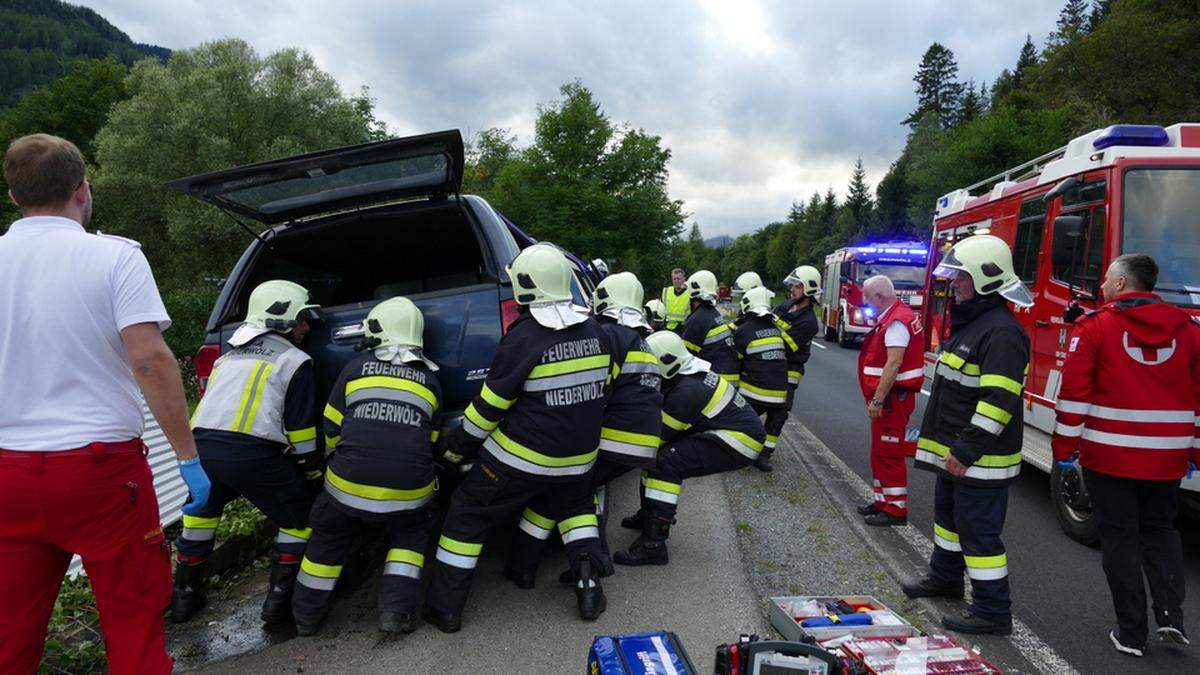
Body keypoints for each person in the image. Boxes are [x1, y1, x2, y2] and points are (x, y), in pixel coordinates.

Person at [0, 134, 208, 674]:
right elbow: (150, 361)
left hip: (9, 474)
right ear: (82, 190)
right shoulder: (114, 256)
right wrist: (186, 456)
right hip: (102, 474)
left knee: (9, 636)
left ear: (14, 195)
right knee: (133, 622)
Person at [424, 244, 611, 632]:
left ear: (525, 287)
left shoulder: (524, 337)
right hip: (579, 459)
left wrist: (456, 447)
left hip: (520, 459)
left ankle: (445, 609)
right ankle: (589, 587)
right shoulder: (596, 331)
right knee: (577, 511)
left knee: (467, 514)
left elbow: (489, 408)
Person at [1052, 254, 1197, 657]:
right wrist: (1194, 451)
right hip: (1166, 457)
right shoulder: (1187, 329)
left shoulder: (1095, 326)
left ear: (1120, 283)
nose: (1100, 286)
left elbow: (1075, 395)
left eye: (1105, 279)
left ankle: (1132, 634)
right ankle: (1170, 617)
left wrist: (1063, 449)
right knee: (1161, 533)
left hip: (1110, 455)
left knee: (1120, 541)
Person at [901, 234, 1031, 636]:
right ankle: (945, 578)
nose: (953, 285)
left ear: (985, 280)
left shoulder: (1001, 334)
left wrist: (966, 449)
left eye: (961, 278)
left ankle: (993, 611)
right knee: (949, 522)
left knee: (979, 535)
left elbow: (997, 402)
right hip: (957, 456)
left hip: (979, 461)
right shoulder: (973, 325)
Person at [176, 279, 324, 625]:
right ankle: (278, 604)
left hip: (204, 450)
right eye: (302, 319)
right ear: (281, 319)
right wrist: (312, 472)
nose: (305, 328)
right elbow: (301, 434)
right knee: (301, 519)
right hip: (253, 454)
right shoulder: (295, 360)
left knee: (200, 517)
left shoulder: (226, 358)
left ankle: (184, 599)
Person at [292, 297, 441, 636]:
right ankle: (395, 615)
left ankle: (305, 618)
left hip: (346, 487)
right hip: (409, 492)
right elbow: (429, 441)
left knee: (328, 536)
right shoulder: (431, 381)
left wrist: (340, 462)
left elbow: (331, 426)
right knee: (410, 534)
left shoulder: (354, 369)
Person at [506, 271, 662, 583]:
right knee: (576, 493)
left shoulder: (609, 334)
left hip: (615, 438)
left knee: (561, 497)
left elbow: (594, 389)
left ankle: (549, 568)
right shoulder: (640, 340)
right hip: (642, 442)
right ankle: (586, 569)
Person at [614, 331, 766, 567]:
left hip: (739, 442)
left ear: (667, 363)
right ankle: (648, 516)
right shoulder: (689, 374)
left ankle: (654, 544)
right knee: (658, 459)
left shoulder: (687, 392)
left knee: (666, 462)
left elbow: (657, 436)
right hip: (732, 432)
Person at [857, 275, 926, 527]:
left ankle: (895, 510)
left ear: (879, 296)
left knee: (889, 453)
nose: (864, 300)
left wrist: (877, 399)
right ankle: (881, 500)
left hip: (891, 400)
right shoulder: (897, 315)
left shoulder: (897, 322)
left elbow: (894, 363)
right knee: (879, 451)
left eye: (866, 296)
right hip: (890, 399)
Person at [733, 286, 789, 473]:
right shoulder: (775, 328)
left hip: (753, 391)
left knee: (739, 420)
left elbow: (736, 361)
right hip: (780, 394)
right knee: (777, 418)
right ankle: (764, 456)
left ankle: (739, 451)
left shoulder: (743, 331)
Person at [770, 265, 822, 465]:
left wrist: (769, 329)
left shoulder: (809, 322)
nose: (792, 290)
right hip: (770, 365)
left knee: (780, 412)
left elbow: (786, 346)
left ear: (808, 290)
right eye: (792, 285)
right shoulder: (785, 306)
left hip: (790, 369)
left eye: (797, 286)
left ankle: (765, 452)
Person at [680, 269, 739, 385]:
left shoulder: (696, 319)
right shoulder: (720, 312)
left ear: (693, 294)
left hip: (714, 382)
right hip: (731, 379)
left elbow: (684, 358)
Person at [661, 267, 691, 331]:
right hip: (667, 327)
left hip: (683, 329)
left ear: (684, 279)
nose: (676, 281)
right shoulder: (666, 291)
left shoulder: (690, 293)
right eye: (674, 279)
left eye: (679, 279)